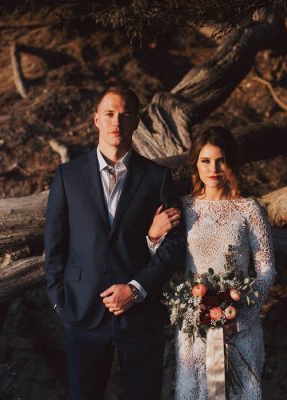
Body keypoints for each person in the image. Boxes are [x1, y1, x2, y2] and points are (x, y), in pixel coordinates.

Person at [44, 86, 186, 400]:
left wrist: (136, 289)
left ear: (136, 122)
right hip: (82, 313)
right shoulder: (68, 176)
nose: (116, 121)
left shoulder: (156, 178)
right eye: (109, 113)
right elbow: (55, 244)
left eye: (125, 115)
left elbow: (175, 246)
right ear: (96, 119)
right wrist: (59, 301)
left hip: (140, 313)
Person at [148, 126, 276, 399]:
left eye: (221, 160)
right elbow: (160, 261)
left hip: (238, 326)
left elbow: (266, 270)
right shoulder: (183, 208)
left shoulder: (249, 210)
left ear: (231, 162)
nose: (214, 168)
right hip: (193, 326)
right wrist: (153, 235)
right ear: (196, 164)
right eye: (206, 161)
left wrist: (241, 317)